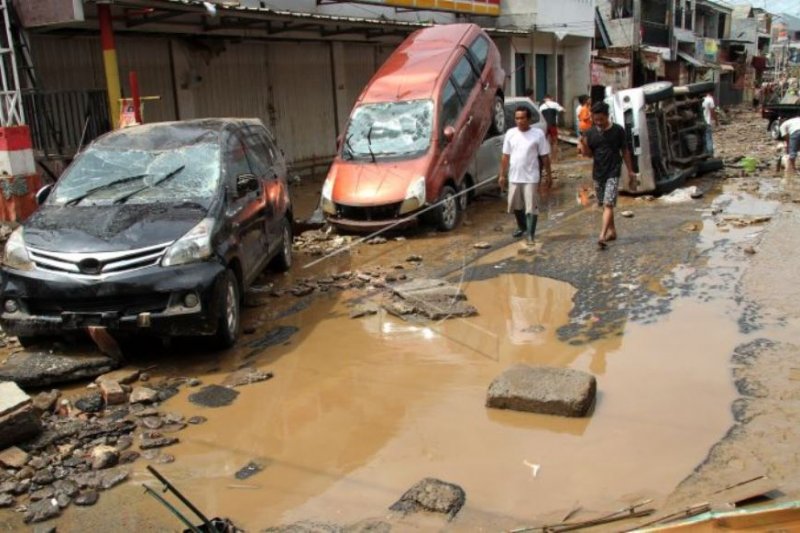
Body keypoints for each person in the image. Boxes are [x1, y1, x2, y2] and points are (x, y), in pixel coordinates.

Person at [579, 101, 638, 249]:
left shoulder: (618, 131)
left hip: (613, 171)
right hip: (598, 173)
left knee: (608, 204)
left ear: (607, 116)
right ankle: (612, 231)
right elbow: (588, 155)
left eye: (601, 119)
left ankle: (602, 236)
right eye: (595, 119)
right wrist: (583, 145)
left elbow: (625, 151)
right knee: (603, 204)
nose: (598, 122)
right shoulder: (590, 133)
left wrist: (630, 171)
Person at [498, 106, 552, 244]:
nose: (519, 121)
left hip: (531, 177)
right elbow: (505, 156)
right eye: (517, 118)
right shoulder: (510, 133)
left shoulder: (538, 134)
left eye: (522, 118)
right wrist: (502, 175)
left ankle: (531, 234)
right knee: (515, 206)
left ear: (529, 119)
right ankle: (522, 227)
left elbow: (544, 156)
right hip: (514, 176)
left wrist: (548, 175)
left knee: (531, 207)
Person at [540, 94, 565, 161]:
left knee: (544, 142)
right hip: (552, 125)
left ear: (544, 99)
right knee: (554, 142)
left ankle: (545, 158)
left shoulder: (541, 106)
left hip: (545, 125)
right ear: (551, 98)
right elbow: (562, 110)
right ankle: (554, 158)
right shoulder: (554, 104)